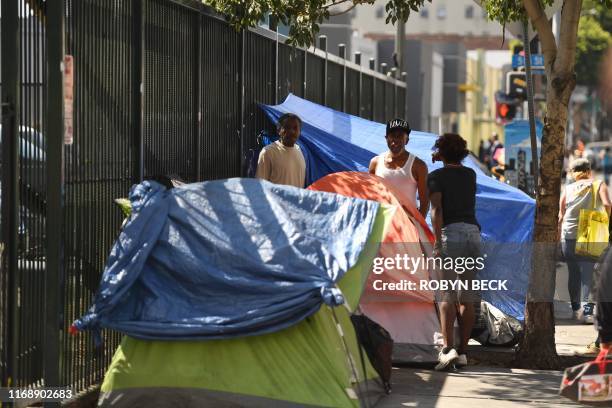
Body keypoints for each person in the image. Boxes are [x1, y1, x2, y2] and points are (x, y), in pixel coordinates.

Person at [427, 133, 481, 371]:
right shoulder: (470, 175)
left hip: (451, 234)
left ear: (441, 152)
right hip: (472, 234)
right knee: (466, 296)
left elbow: (437, 210)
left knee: (446, 294)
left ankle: (447, 350)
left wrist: (437, 243)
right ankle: (464, 352)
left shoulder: (436, 176)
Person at [559, 158, 611, 323]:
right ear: (589, 171)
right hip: (589, 235)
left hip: (568, 235)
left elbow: (561, 214)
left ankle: (575, 310)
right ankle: (587, 312)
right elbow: (608, 204)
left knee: (573, 274)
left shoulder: (568, 188)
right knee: (588, 274)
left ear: (574, 173)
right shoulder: (599, 184)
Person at [368, 118, 430, 218]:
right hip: (381, 222)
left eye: (400, 136)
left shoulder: (418, 165)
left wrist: (418, 226)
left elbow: (425, 202)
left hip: (407, 224)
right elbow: (371, 196)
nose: (395, 139)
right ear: (386, 138)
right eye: (392, 135)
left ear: (407, 140)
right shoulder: (375, 163)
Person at [255, 113, 306, 188]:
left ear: (299, 132)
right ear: (279, 130)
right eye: (287, 127)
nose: (291, 131)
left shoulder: (299, 151)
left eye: (295, 128)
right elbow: (259, 186)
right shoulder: (268, 152)